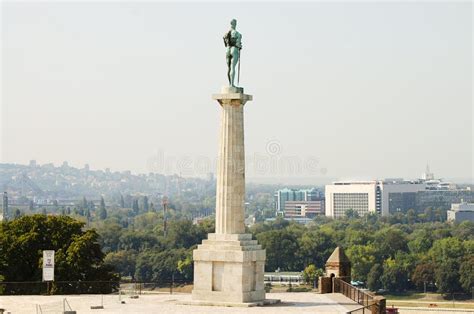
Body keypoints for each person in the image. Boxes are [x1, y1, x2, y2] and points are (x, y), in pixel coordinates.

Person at [223, 19, 242, 87]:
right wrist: (240, 47)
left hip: (227, 49)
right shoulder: (238, 34)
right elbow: (238, 44)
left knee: (229, 68)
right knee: (233, 67)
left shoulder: (226, 34)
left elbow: (225, 44)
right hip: (234, 49)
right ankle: (231, 84)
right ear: (235, 24)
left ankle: (230, 83)